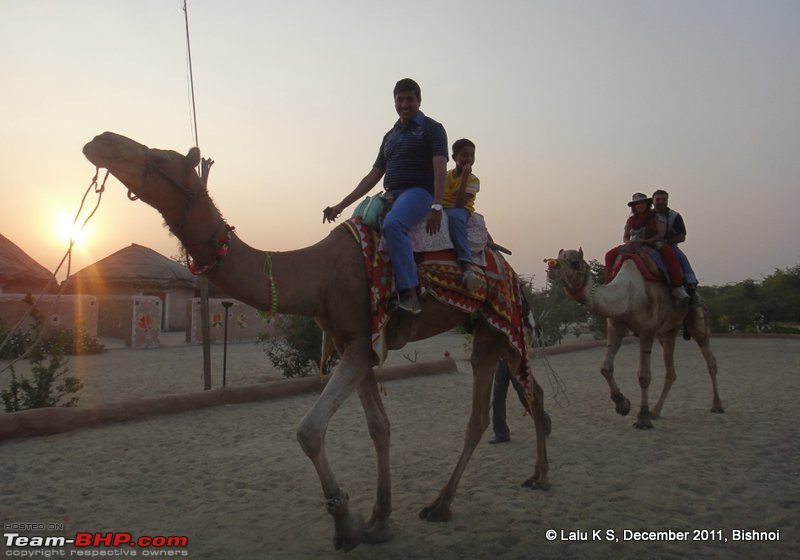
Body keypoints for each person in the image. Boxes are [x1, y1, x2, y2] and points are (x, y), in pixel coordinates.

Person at [323, 78, 448, 315]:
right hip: (390, 195)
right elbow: (372, 176)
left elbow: (439, 168)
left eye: (409, 99)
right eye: (399, 99)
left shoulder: (432, 129)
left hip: (419, 192)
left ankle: (409, 293)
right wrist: (340, 206)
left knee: (393, 224)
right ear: (394, 102)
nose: (404, 104)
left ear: (419, 101)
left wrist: (437, 206)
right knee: (356, 227)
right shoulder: (390, 136)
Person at [604, 193, 689, 300]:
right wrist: (628, 242)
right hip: (633, 244)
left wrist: (646, 241)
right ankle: (609, 283)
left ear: (647, 204)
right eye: (637, 204)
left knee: (669, 254)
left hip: (652, 243)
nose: (640, 205)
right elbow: (626, 236)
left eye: (642, 203)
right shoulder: (631, 220)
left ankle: (677, 285)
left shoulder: (656, 216)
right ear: (634, 206)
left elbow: (661, 234)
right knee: (609, 255)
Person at [443, 138, 482, 292]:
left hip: (460, 209)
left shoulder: (473, 180)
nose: (469, 159)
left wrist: (464, 178)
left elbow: (460, 203)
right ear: (454, 158)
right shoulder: (445, 175)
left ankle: (467, 267)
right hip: (442, 207)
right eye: (464, 155)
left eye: (472, 155)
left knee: (454, 218)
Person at [652, 189, 698, 294]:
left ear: (667, 201)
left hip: (668, 245)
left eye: (663, 199)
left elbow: (682, 236)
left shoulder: (675, 216)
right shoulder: (647, 215)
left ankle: (690, 282)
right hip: (647, 246)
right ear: (653, 201)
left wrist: (667, 243)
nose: (661, 202)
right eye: (658, 199)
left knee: (682, 258)